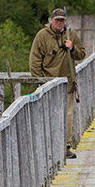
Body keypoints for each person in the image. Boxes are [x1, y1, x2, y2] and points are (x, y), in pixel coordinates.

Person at [29, 8, 85, 159]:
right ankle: (48, 149)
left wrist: (72, 47)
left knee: (67, 116)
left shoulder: (70, 34)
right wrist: (40, 84)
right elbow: (34, 62)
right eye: (57, 20)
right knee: (49, 117)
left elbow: (82, 54)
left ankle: (66, 147)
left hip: (67, 84)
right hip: (49, 85)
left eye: (62, 20)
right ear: (51, 21)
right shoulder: (42, 35)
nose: (60, 23)